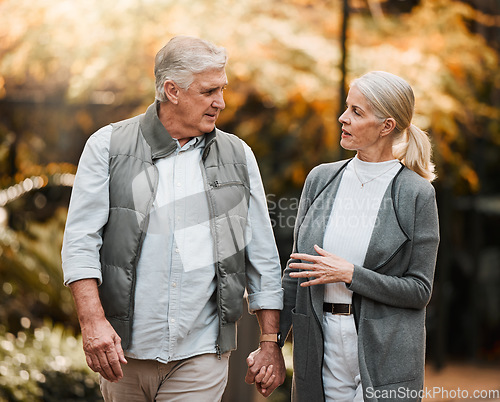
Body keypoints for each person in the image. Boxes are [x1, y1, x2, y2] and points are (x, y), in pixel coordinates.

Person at [61, 35, 285, 401]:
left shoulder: (239, 156)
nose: (221, 102)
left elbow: (261, 252)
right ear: (172, 90)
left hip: (201, 353)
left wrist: (269, 342)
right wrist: (93, 323)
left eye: (222, 89)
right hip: (122, 353)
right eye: (209, 91)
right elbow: (80, 243)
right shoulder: (107, 146)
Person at [247, 71, 440, 401]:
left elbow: (419, 290)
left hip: (386, 353)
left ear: (386, 126)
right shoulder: (320, 179)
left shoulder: (416, 194)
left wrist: (351, 275)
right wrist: (273, 344)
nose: (342, 118)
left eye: (356, 112)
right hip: (319, 345)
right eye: (347, 107)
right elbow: (296, 273)